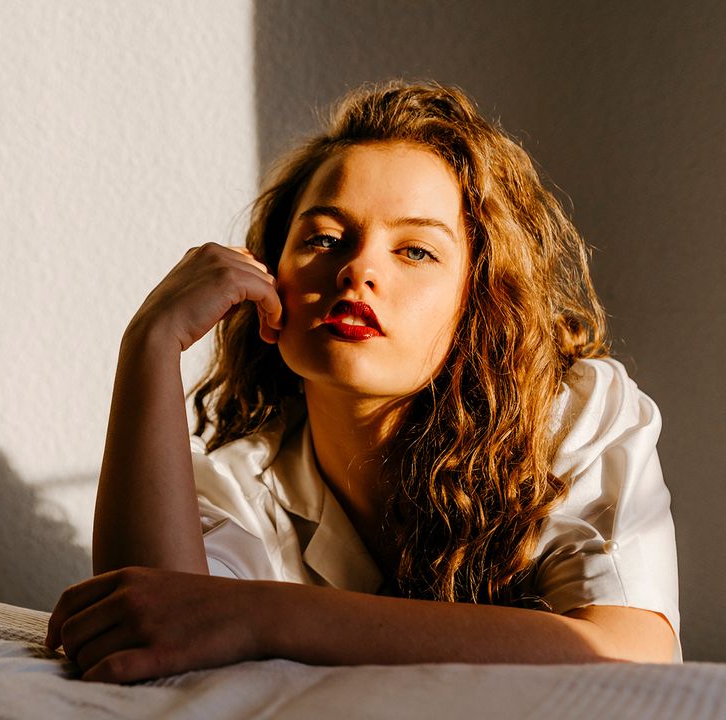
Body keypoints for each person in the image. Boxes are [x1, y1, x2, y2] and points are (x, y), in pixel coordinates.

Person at [44, 81, 679, 683]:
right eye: (324, 238)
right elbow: (148, 635)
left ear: (478, 302)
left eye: (415, 251)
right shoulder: (239, 485)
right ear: (269, 280)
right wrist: (149, 345)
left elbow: (633, 657)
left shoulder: (574, 417)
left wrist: (263, 616)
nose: (358, 269)